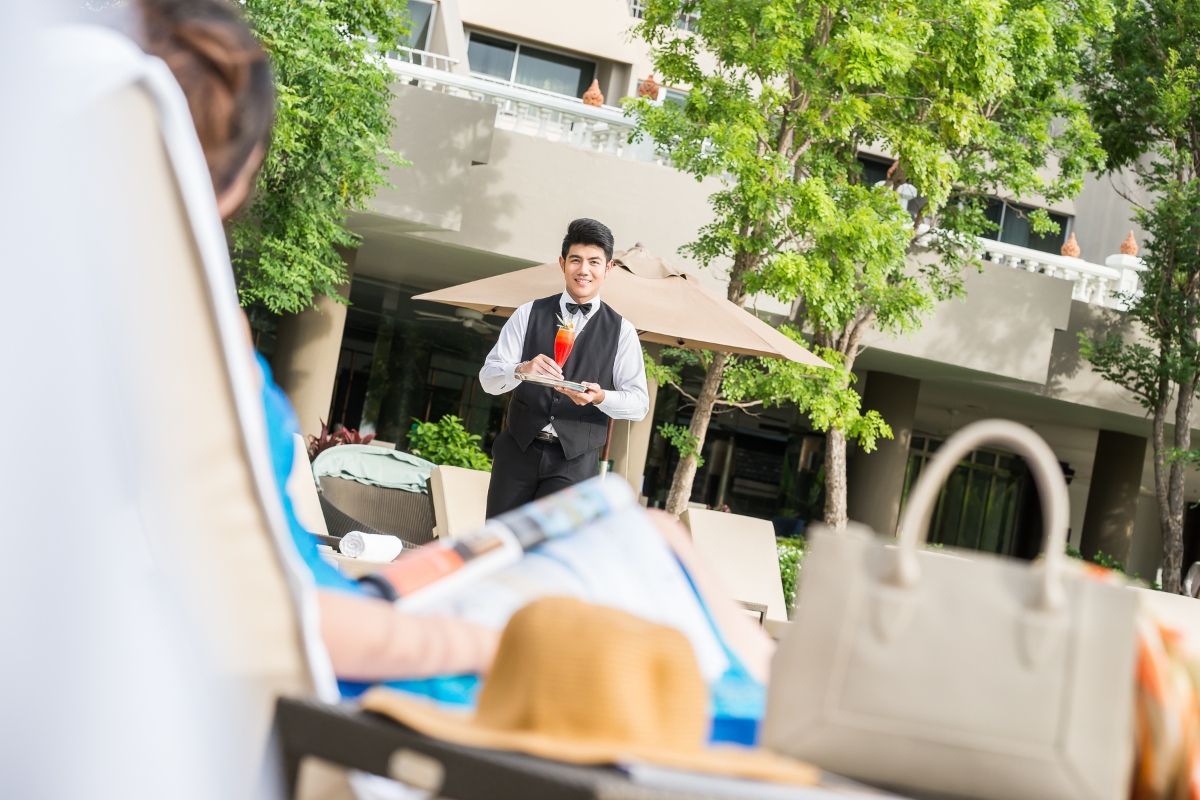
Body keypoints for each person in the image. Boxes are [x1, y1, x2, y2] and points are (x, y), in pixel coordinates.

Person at [138, 0, 498, 683]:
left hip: (332, 606)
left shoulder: (157, 325)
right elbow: (276, 622)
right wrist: (494, 646)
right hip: (337, 661)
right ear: (241, 171)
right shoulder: (189, 353)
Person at [480, 218, 650, 517]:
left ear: (608, 268)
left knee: (551, 552)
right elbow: (488, 380)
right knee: (499, 544)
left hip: (575, 463)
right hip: (517, 452)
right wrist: (521, 370)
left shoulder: (622, 331)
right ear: (562, 263)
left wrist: (600, 397)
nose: (583, 270)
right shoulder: (527, 314)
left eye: (594, 262)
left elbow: (638, 404)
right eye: (576, 260)